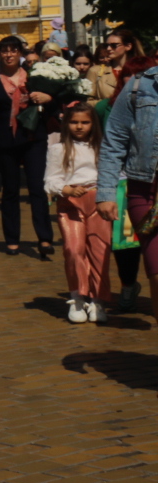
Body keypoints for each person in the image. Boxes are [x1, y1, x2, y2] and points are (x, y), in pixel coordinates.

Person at [0, 36, 55, 258]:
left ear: (20, 53)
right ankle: (12, 239)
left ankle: (44, 237)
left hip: (33, 137)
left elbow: (55, 101)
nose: (9, 55)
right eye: (5, 51)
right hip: (5, 140)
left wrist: (47, 97)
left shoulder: (34, 77)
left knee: (36, 188)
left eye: (14, 50)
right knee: (10, 190)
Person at [96, 55, 158, 309]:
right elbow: (113, 142)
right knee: (157, 273)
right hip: (146, 193)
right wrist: (106, 192)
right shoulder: (139, 86)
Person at [46, 101, 109, 324]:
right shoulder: (58, 148)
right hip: (70, 203)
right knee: (73, 249)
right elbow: (50, 179)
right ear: (66, 123)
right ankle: (77, 297)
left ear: (93, 123)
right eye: (74, 122)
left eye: (85, 122)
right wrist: (65, 189)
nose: (79, 127)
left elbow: (112, 173)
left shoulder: (103, 146)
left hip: (99, 201)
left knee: (100, 251)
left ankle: (98, 300)